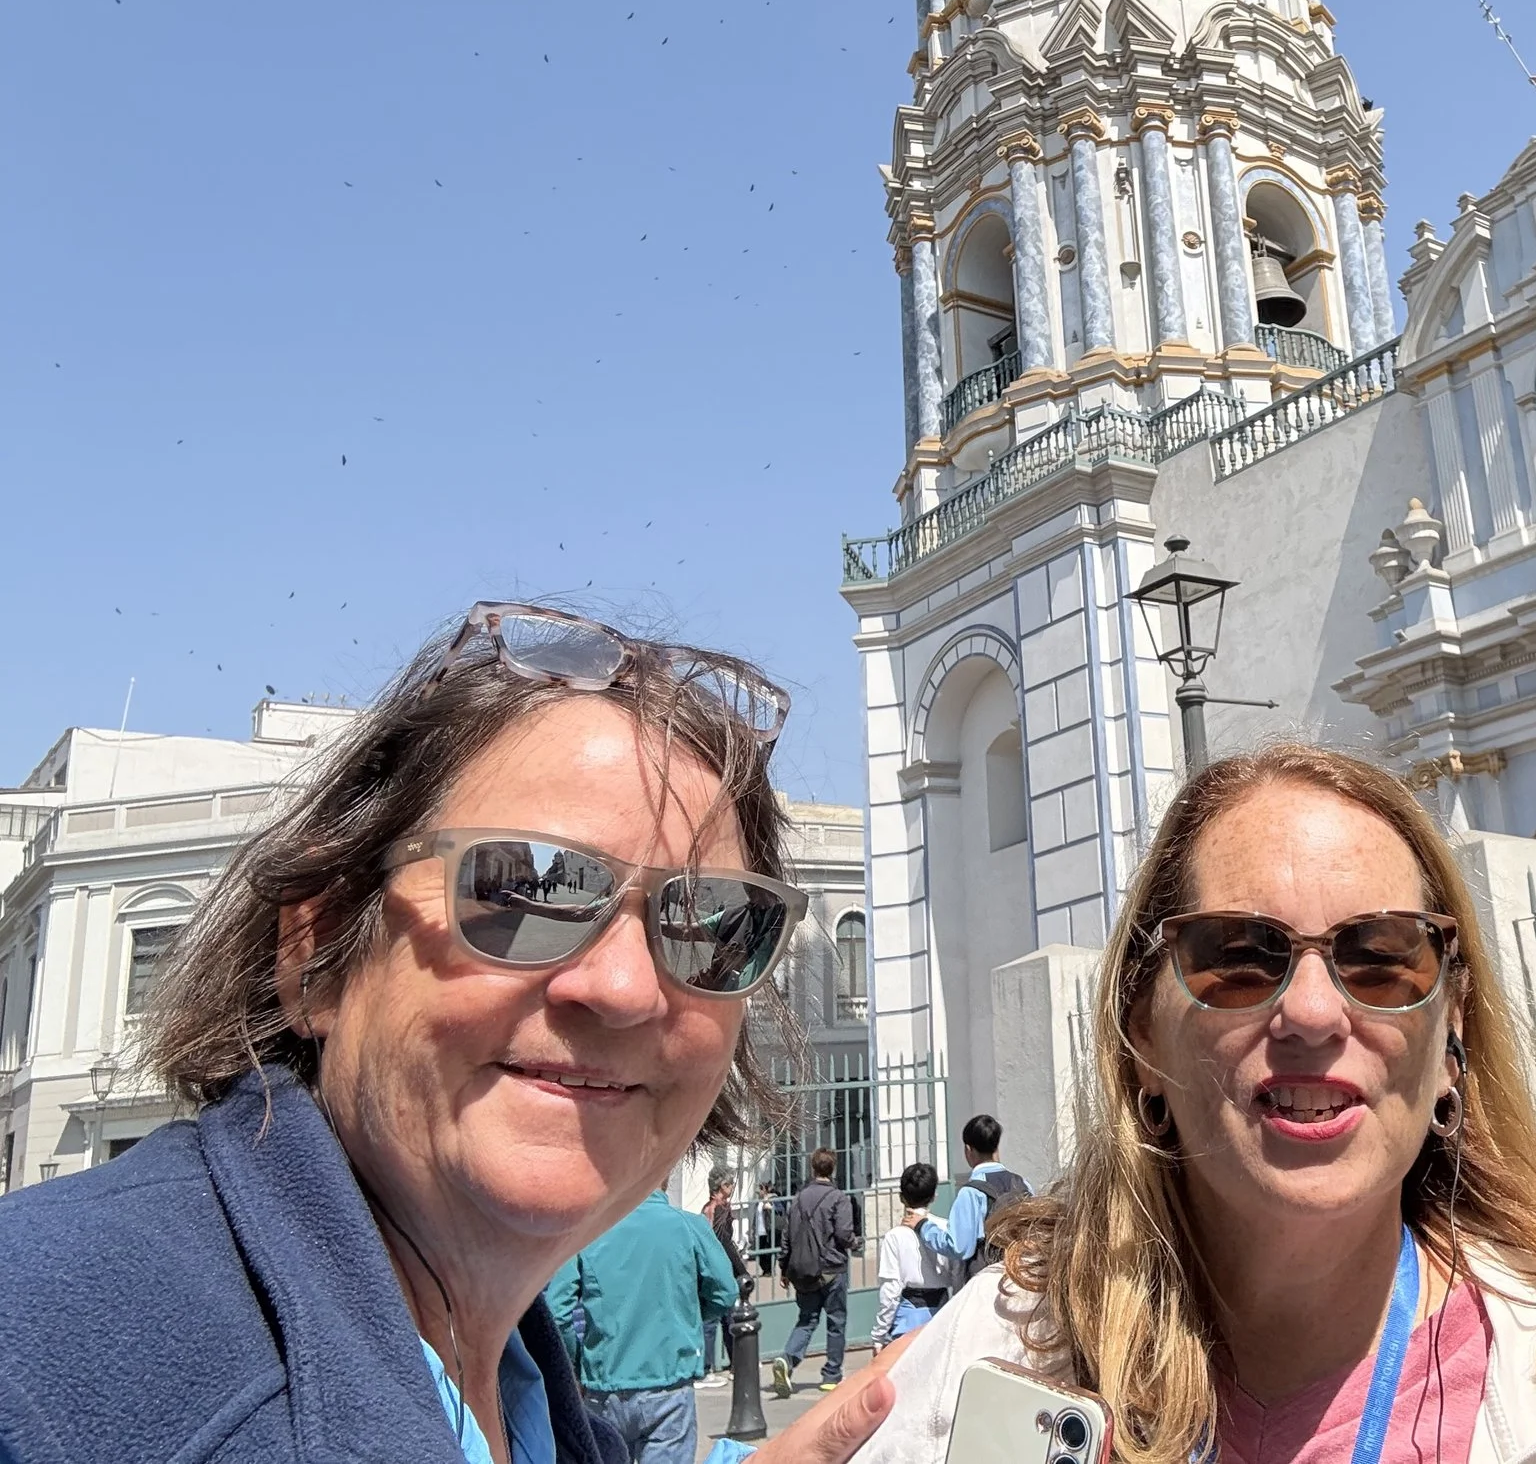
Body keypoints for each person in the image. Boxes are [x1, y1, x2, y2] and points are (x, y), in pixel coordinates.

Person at [0, 601, 900, 1464]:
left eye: (712, 921)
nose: (626, 987)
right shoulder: (40, 1354)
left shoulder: (516, 1380)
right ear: (317, 952)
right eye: (523, 890)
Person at [852, 743, 1536, 1464]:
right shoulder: (997, 1355)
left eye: (1382, 951)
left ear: (1451, 1036)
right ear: (1142, 1040)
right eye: (1238, 953)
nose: (1314, 1011)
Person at [547, 1187, 738, 1462]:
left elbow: (556, 1312)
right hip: (668, 1382)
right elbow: (724, 1292)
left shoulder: (588, 1230)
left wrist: (580, 1365)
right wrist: (686, 1319)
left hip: (605, 1384)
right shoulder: (687, 1225)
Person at [773, 1148, 858, 1397]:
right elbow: (843, 1234)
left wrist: (783, 1268)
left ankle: (788, 1360)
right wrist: (855, 1243)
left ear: (812, 1168)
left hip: (804, 1270)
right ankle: (831, 1374)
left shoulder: (798, 1199)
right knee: (836, 1321)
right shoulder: (838, 1198)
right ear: (833, 1168)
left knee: (807, 1319)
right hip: (832, 1268)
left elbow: (786, 1237)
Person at [914, 1113, 1029, 1278]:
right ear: (996, 1146)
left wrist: (923, 1226)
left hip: (989, 1282)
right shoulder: (1022, 1184)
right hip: (1021, 1276)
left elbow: (959, 1247)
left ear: (968, 1149)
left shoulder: (971, 1192)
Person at [871, 1164, 959, 1351]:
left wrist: (879, 1334)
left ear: (901, 1197)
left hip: (907, 1315)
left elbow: (890, 1290)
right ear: (935, 1194)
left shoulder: (895, 1236)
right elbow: (957, 1275)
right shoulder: (946, 1230)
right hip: (942, 1312)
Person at [703, 1171, 752, 1377]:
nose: (732, 1187)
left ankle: (724, 1365)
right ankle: (710, 1368)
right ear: (721, 1186)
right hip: (722, 1269)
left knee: (724, 1318)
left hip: (713, 1268)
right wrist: (741, 1268)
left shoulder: (709, 1208)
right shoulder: (719, 1209)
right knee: (721, 1319)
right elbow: (723, 1241)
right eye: (730, 1184)